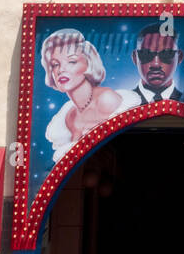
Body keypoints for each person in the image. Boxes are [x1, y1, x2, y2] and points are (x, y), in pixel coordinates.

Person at [41, 28, 140, 162]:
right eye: (55, 64)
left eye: (72, 61)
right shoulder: (66, 117)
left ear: (88, 64)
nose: (61, 70)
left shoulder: (106, 100)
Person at [130, 23, 184, 103]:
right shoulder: (121, 106)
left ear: (179, 57)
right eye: (146, 54)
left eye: (167, 54)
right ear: (135, 58)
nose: (156, 64)